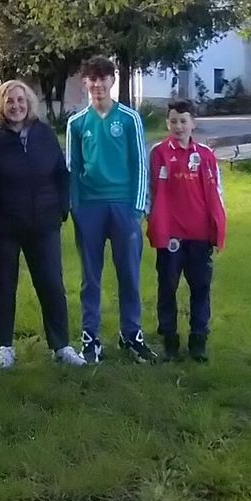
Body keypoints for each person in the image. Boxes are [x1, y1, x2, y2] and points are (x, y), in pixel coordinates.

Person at [0, 81, 86, 368]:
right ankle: (5, 347)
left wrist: (62, 209)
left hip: (43, 225)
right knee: (4, 286)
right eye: (10, 101)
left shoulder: (44, 133)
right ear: (1, 105)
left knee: (52, 284)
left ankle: (61, 346)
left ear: (29, 104)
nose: (16, 106)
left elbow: (61, 174)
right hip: (4, 228)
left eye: (21, 100)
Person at [66, 56, 158, 364]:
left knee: (129, 275)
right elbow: (72, 168)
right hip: (89, 208)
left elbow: (140, 164)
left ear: (112, 81)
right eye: (92, 79)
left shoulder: (129, 119)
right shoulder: (76, 123)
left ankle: (131, 335)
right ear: (85, 83)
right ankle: (91, 340)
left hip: (123, 207)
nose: (98, 85)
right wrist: (75, 207)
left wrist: (137, 207)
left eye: (103, 79)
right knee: (90, 279)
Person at [147, 100, 228, 363]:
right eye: (173, 121)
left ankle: (198, 340)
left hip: (200, 234)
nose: (178, 126)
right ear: (167, 123)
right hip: (170, 234)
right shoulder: (159, 152)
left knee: (200, 288)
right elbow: (151, 192)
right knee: (167, 287)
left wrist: (218, 228)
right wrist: (152, 221)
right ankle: (169, 339)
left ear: (194, 122)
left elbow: (217, 193)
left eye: (183, 121)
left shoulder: (205, 155)